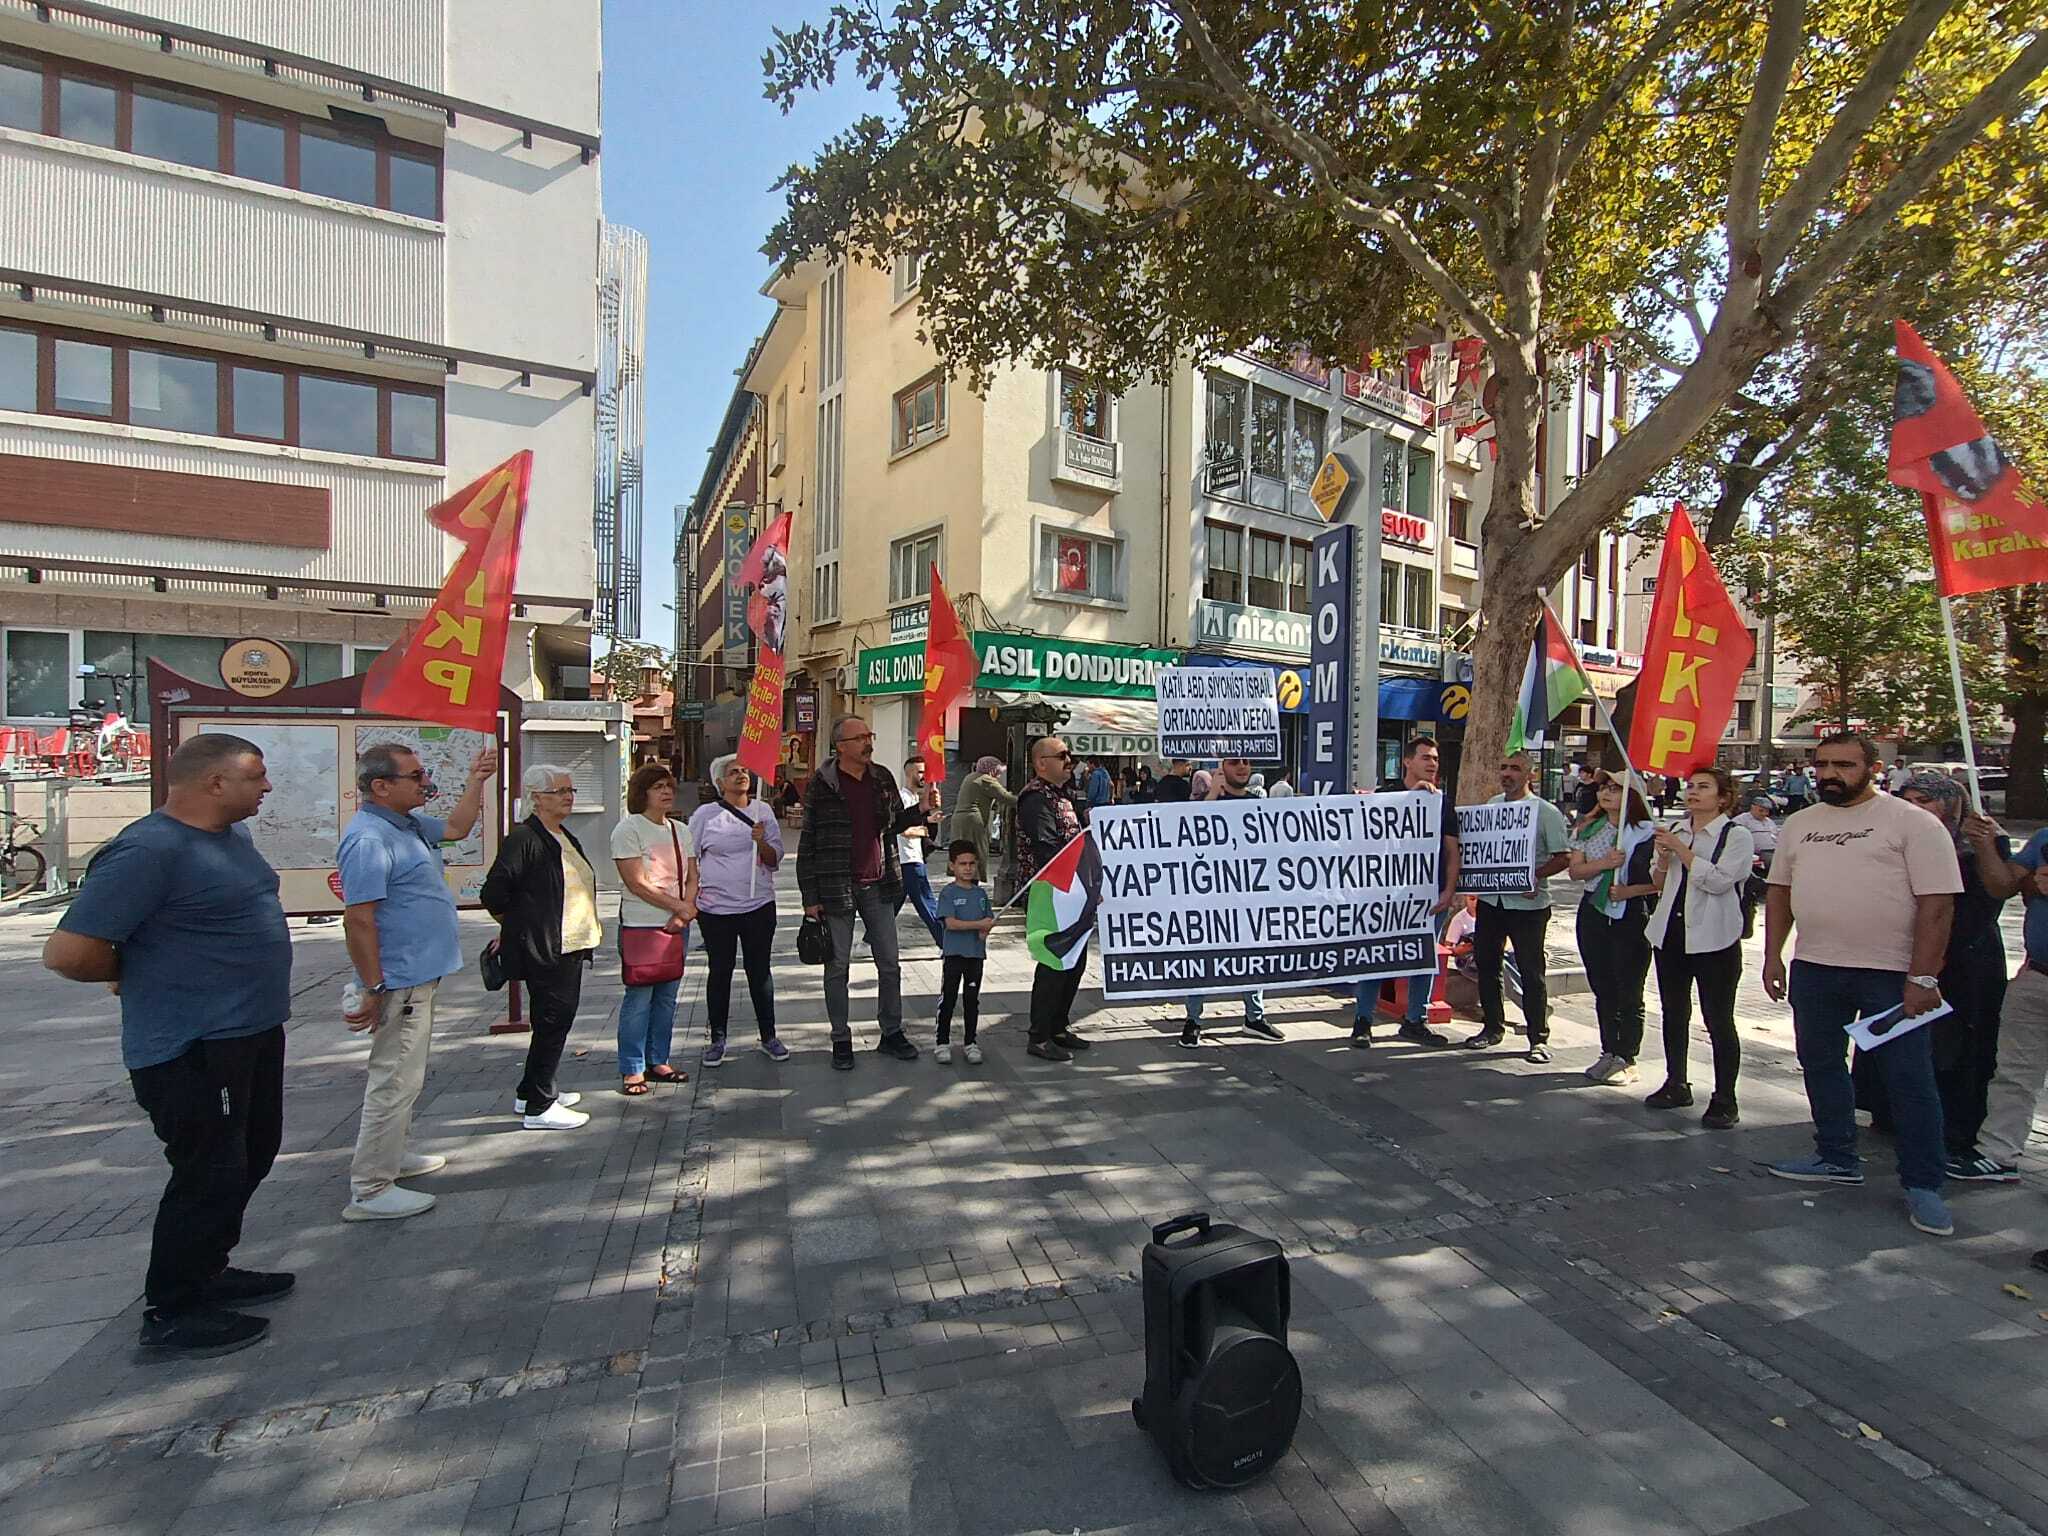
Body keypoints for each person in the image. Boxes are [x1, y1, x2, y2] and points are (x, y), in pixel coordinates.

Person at [42, 734, 292, 1356]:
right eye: (255, 777)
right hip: (194, 1046)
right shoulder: (148, 850)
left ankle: (210, 1269)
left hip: (249, 1031)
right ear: (213, 783)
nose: (265, 789)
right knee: (208, 1170)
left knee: (251, 1155)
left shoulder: (230, 838)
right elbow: (69, 952)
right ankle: (174, 1308)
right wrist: (138, 974)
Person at [1761, 733, 1960, 1237]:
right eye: (1823, 764)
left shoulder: (1914, 824)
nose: (1831, 773)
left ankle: (1923, 1183)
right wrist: (1772, 957)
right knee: (1821, 1065)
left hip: (1891, 977)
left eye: (1844, 765)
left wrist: (1922, 977)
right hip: (1816, 969)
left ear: (1873, 768)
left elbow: (1938, 906)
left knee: (1908, 1080)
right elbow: (1780, 893)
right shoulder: (1800, 825)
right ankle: (1835, 1156)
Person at [338, 741, 496, 1216]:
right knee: (394, 1079)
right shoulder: (369, 839)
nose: (426, 782)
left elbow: (455, 828)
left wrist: (477, 780)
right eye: (415, 776)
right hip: (397, 980)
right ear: (380, 786)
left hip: (417, 975)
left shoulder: (403, 825)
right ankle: (370, 1188)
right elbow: (358, 919)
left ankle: (392, 1156)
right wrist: (372, 985)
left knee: (407, 1077)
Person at [1853, 776, 2008, 1175]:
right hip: (1903, 951)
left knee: (1955, 1048)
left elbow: (1989, 897)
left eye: (1925, 800)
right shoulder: (1900, 839)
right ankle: (1889, 1112)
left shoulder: (1979, 843)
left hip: (1964, 959)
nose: (1914, 807)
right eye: (1907, 800)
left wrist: (1985, 845)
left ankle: (1954, 1130)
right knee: (1899, 1037)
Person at [799, 715, 926, 1069]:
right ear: (841, 746)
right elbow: (807, 841)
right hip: (835, 886)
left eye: (869, 735)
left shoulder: (881, 777)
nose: (868, 742)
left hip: (879, 884)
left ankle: (891, 1032)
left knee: (890, 963)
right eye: (860, 738)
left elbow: (896, 823)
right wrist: (810, 897)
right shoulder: (822, 784)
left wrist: (922, 810)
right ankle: (841, 1038)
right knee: (837, 967)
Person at [480, 764, 602, 1130]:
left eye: (570, 790)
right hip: (549, 947)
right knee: (553, 1020)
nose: (568, 797)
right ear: (536, 798)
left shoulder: (560, 833)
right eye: (558, 791)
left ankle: (532, 1087)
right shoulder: (525, 839)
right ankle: (539, 1106)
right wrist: (519, 927)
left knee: (553, 1021)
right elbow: (494, 893)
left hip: (570, 943)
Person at [1644, 767, 1753, 1128]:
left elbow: (1719, 881)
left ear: (1723, 797)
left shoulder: (1735, 836)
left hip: (1714, 938)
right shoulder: (1677, 829)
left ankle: (1725, 1097)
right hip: (1671, 933)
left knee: (1718, 1018)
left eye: (1703, 787)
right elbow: (1658, 882)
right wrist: (1663, 857)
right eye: (1691, 786)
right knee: (1674, 1012)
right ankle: (1676, 1081)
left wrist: (1683, 852)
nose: (1693, 792)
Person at [1353, 736, 1461, 1049]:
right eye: (1425, 757)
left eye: (1436, 759)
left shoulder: (1443, 803)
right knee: (1377, 956)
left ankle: (1415, 1020)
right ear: (1407, 762)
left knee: (1423, 958)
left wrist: (1448, 891)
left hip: (1430, 898)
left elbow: (1452, 852)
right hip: (1387, 897)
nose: (1432, 764)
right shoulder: (1385, 796)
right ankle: (1363, 1021)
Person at [1463, 752, 1572, 1061]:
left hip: (1529, 906)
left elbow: (1562, 856)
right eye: (1504, 767)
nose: (1508, 773)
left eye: (1516, 769)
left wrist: (1534, 877)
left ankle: (1538, 1036)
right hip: (1492, 902)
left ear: (1530, 775)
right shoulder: (1492, 807)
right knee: (1487, 965)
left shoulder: (1546, 813)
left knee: (1530, 969)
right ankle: (1492, 1027)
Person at [689, 754, 788, 1067]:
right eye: (733, 773)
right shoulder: (705, 815)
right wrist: (690, 898)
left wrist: (761, 842)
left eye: (745, 771)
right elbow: (690, 857)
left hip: (758, 904)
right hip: (716, 909)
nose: (741, 776)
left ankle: (768, 1035)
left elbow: (775, 859)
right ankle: (717, 1038)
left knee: (759, 971)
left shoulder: (763, 811)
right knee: (720, 971)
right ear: (720, 782)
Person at [1183, 758, 1284, 1047]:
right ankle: (1193, 1020)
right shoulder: (1207, 800)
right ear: (1221, 768)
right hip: (1210, 899)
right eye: (1234, 762)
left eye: (1246, 762)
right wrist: (1213, 794)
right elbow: (1188, 832)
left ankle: (1255, 1017)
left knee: (1253, 955)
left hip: (1249, 897)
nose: (1242, 767)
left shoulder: (1257, 803)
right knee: (1202, 960)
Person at [611, 763, 697, 1090]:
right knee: (640, 996)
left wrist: (684, 911)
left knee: (667, 997)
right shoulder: (628, 829)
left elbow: (692, 876)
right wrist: (679, 908)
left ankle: (658, 1059)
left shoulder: (680, 830)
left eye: (669, 787)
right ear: (642, 792)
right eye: (658, 786)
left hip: (677, 925)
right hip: (641, 925)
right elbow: (637, 883)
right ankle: (632, 1066)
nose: (666, 792)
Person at [1570, 774, 1660, 1087]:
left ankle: (1628, 1055)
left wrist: (1630, 892)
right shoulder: (1588, 828)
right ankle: (1608, 1049)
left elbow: (1662, 880)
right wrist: (1604, 864)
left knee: (1629, 988)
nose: (1606, 793)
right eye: (1603, 788)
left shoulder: (1649, 833)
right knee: (1602, 983)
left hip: (1631, 914)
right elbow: (1575, 871)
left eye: (1615, 788)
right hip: (1594, 909)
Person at [1016, 734, 1093, 1061]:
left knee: (1074, 961)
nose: (1069, 760)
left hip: (1073, 890)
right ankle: (1040, 1035)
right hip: (1050, 891)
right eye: (1062, 755)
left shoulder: (1062, 794)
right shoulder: (1035, 798)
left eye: (1069, 755)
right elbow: (1047, 846)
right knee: (1053, 963)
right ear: (1041, 763)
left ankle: (1059, 1026)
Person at [933, 839, 997, 1064]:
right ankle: (942, 1042)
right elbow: (951, 923)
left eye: (972, 863)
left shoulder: (980, 895)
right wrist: (979, 925)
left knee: (972, 999)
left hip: (975, 956)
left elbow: (987, 921)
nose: (968, 868)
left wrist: (984, 931)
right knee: (948, 998)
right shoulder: (948, 894)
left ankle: (971, 1042)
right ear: (952, 866)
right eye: (963, 864)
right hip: (954, 955)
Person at [949, 754, 1016, 901]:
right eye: (997, 771)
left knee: (961, 854)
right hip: (973, 822)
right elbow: (1006, 797)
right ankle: (971, 890)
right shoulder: (986, 779)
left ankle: (962, 889)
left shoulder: (970, 776)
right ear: (991, 770)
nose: (998, 775)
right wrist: (1028, 798)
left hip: (959, 820)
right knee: (975, 855)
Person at [897, 756, 945, 945]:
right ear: (909, 773)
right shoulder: (902, 798)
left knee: (891, 904)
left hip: (911, 858)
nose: (924, 776)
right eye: (920, 772)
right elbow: (903, 830)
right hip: (908, 860)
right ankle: (946, 943)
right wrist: (924, 829)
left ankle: (869, 941)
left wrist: (930, 821)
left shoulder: (916, 799)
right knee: (928, 903)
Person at [1738, 792, 1780, 940]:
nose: (1764, 813)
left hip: (1775, 848)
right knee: (1773, 861)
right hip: (1758, 852)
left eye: (1767, 811)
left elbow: (1777, 836)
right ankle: (1770, 888)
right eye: (1761, 810)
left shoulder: (1769, 822)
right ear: (1753, 808)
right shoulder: (1742, 820)